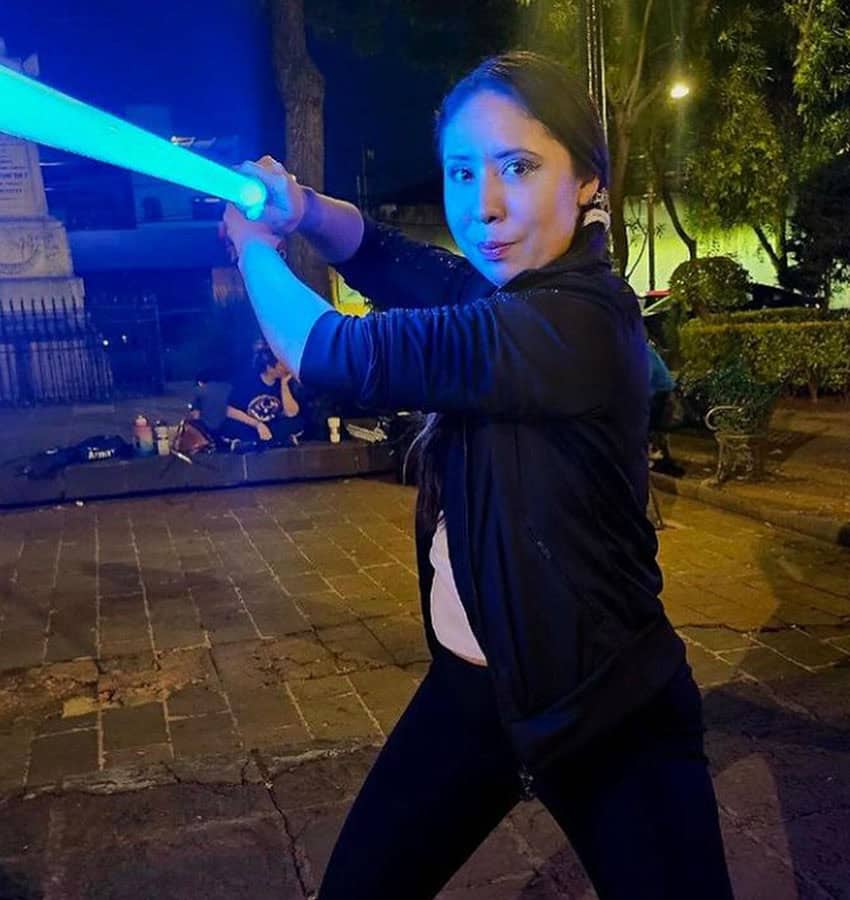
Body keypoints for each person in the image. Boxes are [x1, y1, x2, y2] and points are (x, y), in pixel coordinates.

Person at [221, 51, 733, 900]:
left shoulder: (576, 323)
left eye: (519, 167)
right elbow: (386, 255)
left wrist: (250, 248)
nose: (483, 205)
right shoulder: (504, 296)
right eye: (462, 171)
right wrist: (300, 207)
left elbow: (334, 352)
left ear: (587, 184)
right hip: (474, 697)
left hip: (605, 710)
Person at [220, 343, 305, 446]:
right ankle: (246, 443)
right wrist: (257, 424)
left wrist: (284, 385)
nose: (286, 368)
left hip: (271, 424)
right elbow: (228, 410)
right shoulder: (247, 381)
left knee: (296, 423)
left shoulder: (284, 383)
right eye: (282, 364)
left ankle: (272, 441)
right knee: (232, 427)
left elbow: (291, 413)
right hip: (250, 423)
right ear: (270, 367)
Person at [647, 342, 686, 477]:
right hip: (662, 395)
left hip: (660, 396)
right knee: (655, 432)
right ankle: (661, 461)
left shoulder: (641, 352)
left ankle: (659, 461)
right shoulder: (644, 350)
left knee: (648, 429)